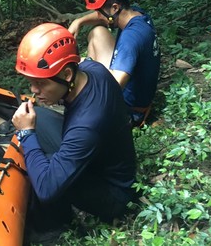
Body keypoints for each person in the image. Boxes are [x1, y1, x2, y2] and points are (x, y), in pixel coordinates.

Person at [12, 23, 137, 241]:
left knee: (42, 165)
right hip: (102, 159)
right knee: (39, 118)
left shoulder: (87, 124)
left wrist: (26, 134)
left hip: (115, 193)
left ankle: (52, 231)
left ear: (67, 74)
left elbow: (46, 188)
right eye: (30, 82)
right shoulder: (93, 70)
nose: (33, 90)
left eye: (40, 83)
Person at [68, 0, 161, 126]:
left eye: (99, 11)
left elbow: (113, 86)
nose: (97, 15)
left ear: (115, 8)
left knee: (75, 76)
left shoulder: (130, 39)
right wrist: (79, 21)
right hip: (138, 89)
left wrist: (84, 68)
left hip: (130, 109)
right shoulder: (138, 15)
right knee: (98, 32)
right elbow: (101, 20)